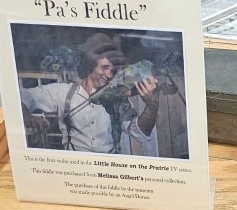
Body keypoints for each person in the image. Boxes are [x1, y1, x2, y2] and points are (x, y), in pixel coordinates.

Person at [20, 38, 159, 154]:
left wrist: (151, 105)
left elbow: (140, 133)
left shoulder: (116, 99)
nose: (109, 75)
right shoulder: (63, 93)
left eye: (112, 70)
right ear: (90, 66)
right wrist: (27, 116)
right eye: (104, 68)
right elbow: (23, 96)